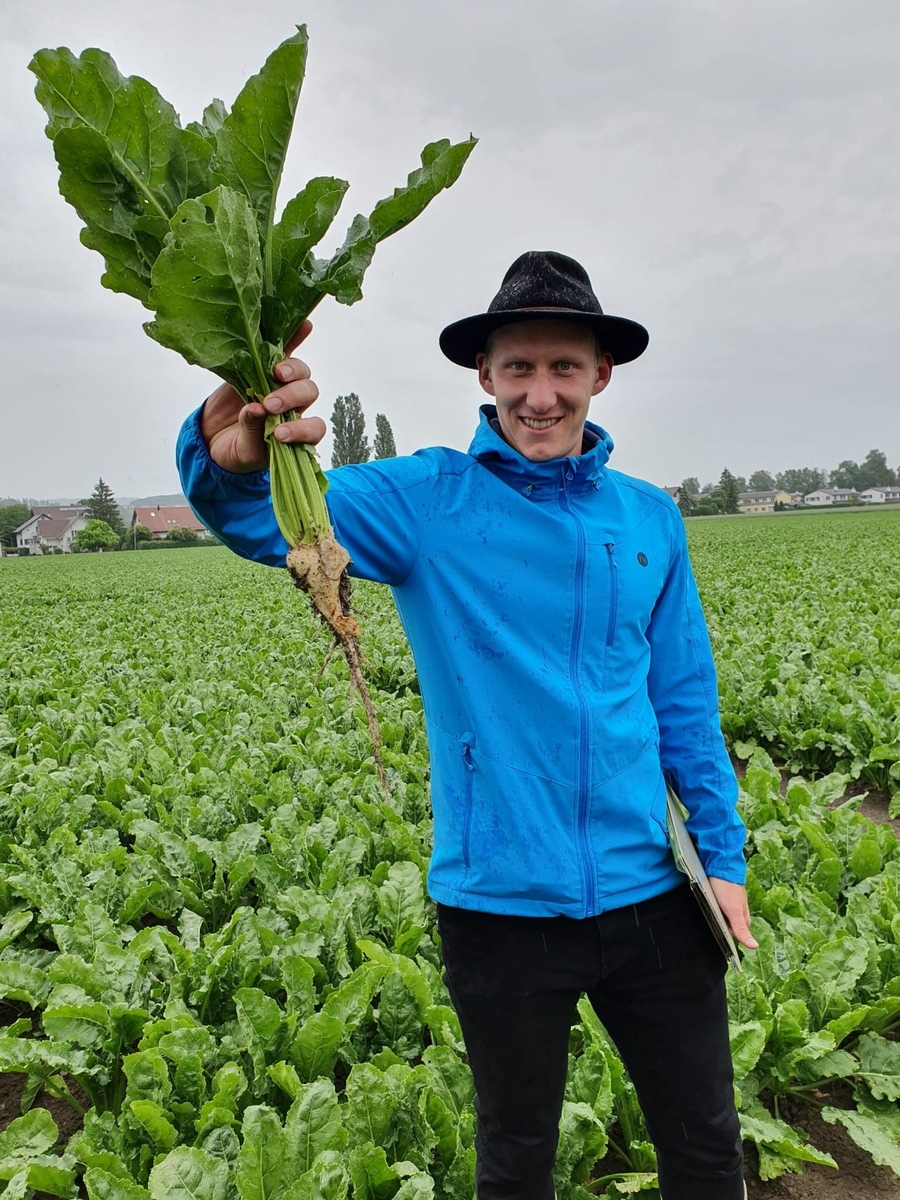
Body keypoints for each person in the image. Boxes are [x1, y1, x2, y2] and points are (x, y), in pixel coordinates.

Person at [177, 250, 757, 1200]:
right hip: (498, 905)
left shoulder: (650, 517)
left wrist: (723, 860)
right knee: (517, 1154)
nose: (541, 394)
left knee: (703, 1142)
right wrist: (227, 462)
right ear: (484, 376)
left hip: (655, 890)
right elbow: (268, 524)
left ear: (600, 375)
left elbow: (683, 702)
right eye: (518, 368)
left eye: (563, 367)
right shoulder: (424, 502)